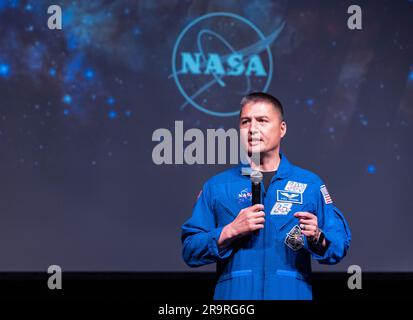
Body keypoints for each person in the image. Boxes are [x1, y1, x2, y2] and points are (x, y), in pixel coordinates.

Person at [181, 92, 351, 300]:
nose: (252, 129)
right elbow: (190, 250)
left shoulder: (310, 184)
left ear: (282, 129)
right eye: (245, 122)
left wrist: (318, 237)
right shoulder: (218, 186)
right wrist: (230, 231)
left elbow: (339, 245)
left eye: (262, 121)